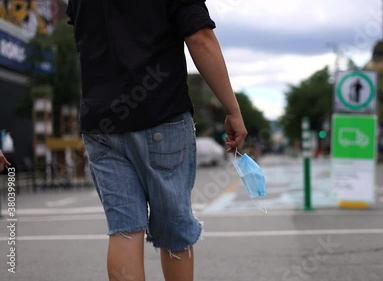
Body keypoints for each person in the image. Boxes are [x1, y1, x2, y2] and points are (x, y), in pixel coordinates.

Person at [66, 1, 247, 280]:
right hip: (160, 114)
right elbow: (200, 38)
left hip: (100, 124)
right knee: (174, 231)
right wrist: (232, 109)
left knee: (124, 230)